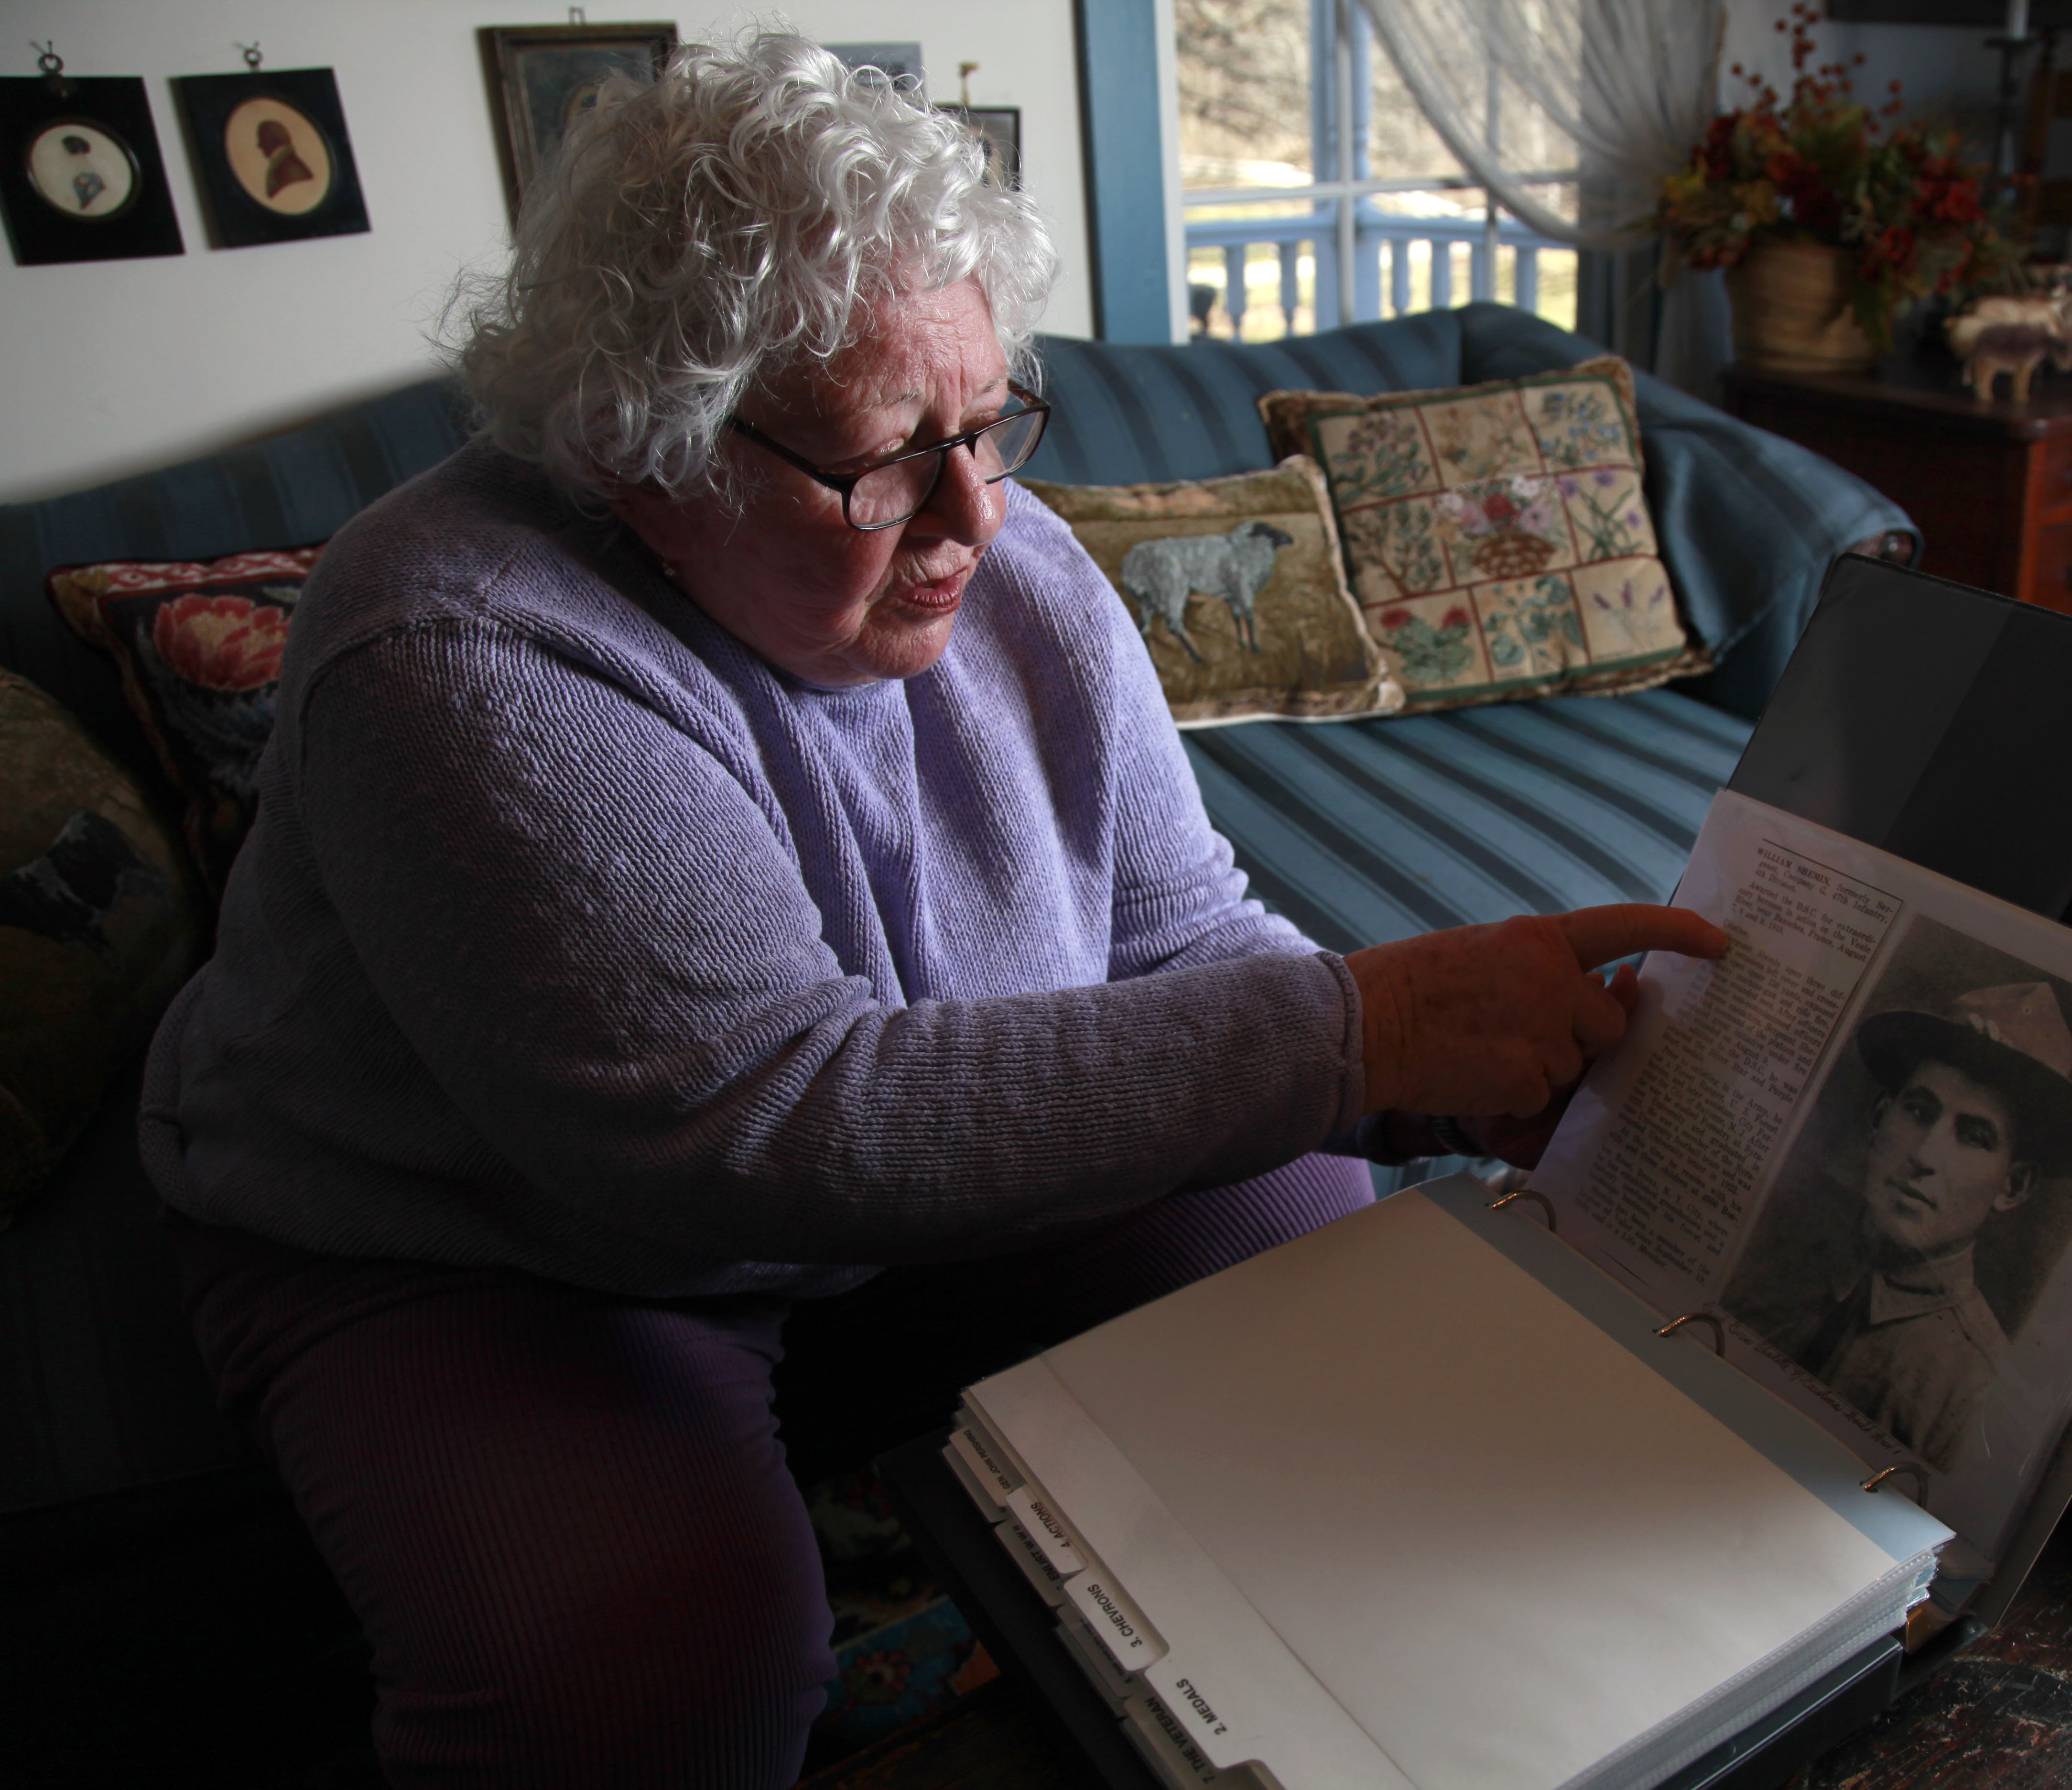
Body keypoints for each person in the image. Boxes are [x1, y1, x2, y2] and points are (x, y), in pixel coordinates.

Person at [140, 35, 1723, 1788]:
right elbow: (755, 1120)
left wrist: (1408, 1078)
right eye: (884, 459)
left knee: (1328, 1339)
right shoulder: (450, 650)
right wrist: (1381, 1030)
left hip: (930, 1177)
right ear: (640, 453)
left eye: (988, 422)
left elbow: (1186, 935)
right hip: (494, 1245)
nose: (978, 515)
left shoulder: (1021, 571)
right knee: (655, 1671)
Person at [1730, 982, 2072, 1471]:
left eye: (1973, 1138)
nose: (1925, 1155)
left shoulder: (1975, 1393)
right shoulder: (1778, 1255)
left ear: (2013, 1186)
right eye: (1918, 1112)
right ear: (1879, 1118)